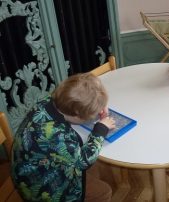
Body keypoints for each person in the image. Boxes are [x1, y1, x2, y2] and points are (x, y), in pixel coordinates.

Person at [11, 73, 116, 201]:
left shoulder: (48, 101)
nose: (96, 115)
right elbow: (83, 161)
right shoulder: (57, 136)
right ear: (77, 114)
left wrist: (98, 104)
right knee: (104, 192)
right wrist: (101, 129)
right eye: (93, 115)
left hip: (25, 172)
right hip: (43, 190)